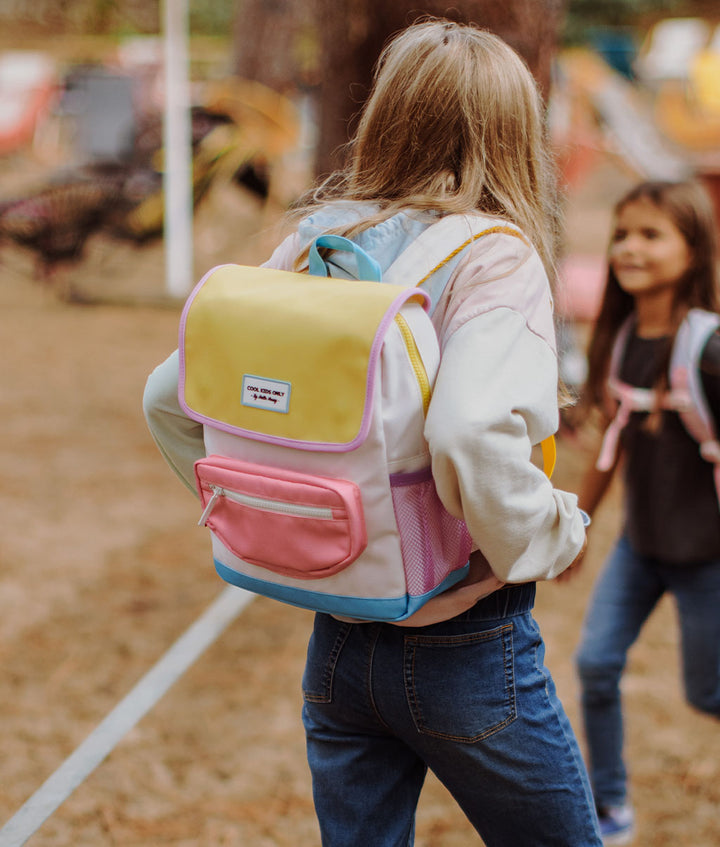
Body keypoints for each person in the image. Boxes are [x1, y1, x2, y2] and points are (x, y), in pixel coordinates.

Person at [144, 20, 601, 846]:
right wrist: (545, 538)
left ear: (385, 114)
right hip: (465, 640)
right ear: (513, 132)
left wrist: (265, 514)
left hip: (339, 641)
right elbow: (469, 430)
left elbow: (167, 399)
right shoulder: (496, 257)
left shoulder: (316, 239)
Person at [574, 179, 720, 846]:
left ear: (693, 251)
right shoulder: (619, 337)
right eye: (622, 233)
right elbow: (609, 449)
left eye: (651, 234)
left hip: (708, 557)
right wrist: (576, 526)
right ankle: (610, 809)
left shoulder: (709, 350)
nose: (630, 247)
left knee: (708, 696)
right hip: (641, 548)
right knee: (595, 663)